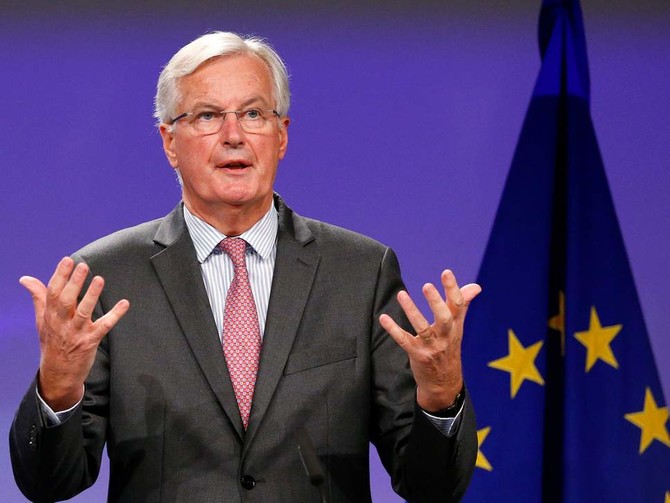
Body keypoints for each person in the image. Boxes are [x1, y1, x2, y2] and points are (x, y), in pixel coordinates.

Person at [10, 31, 480, 503]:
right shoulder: (107, 276)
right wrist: (58, 386)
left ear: (281, 135)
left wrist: (441, 395)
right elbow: (49, 484)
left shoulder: (361, 272)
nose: (234, 136)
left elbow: (432, 488)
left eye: (253, 114)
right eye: (208, 116)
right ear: (170, 142)